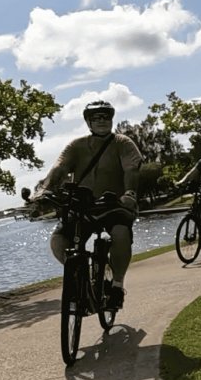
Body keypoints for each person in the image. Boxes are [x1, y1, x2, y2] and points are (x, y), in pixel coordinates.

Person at [31, 99, 141, 309]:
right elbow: (59, 168)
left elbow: (131, 170)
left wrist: (130, 193)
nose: (102, 121)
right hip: (83, 205)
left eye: (106, 117)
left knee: (120, 234)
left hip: (114, 204)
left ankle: (117, 285)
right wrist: (45, 190)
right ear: (88, 122)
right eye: (96, 118)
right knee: (58, 239)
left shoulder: (123, 143)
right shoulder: (77, 146)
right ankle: (79, 273)